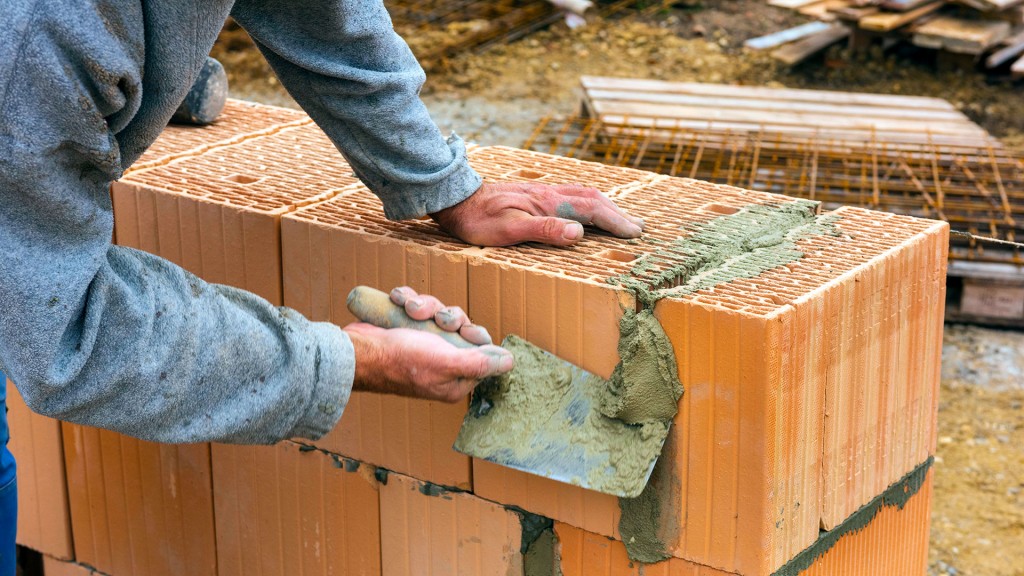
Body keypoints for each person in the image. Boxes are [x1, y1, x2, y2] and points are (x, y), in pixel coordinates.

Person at [0, 1, 643, 570]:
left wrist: (440, 183)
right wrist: (344, 360)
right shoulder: (40, 38)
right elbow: (62, 328)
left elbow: (319, 12)